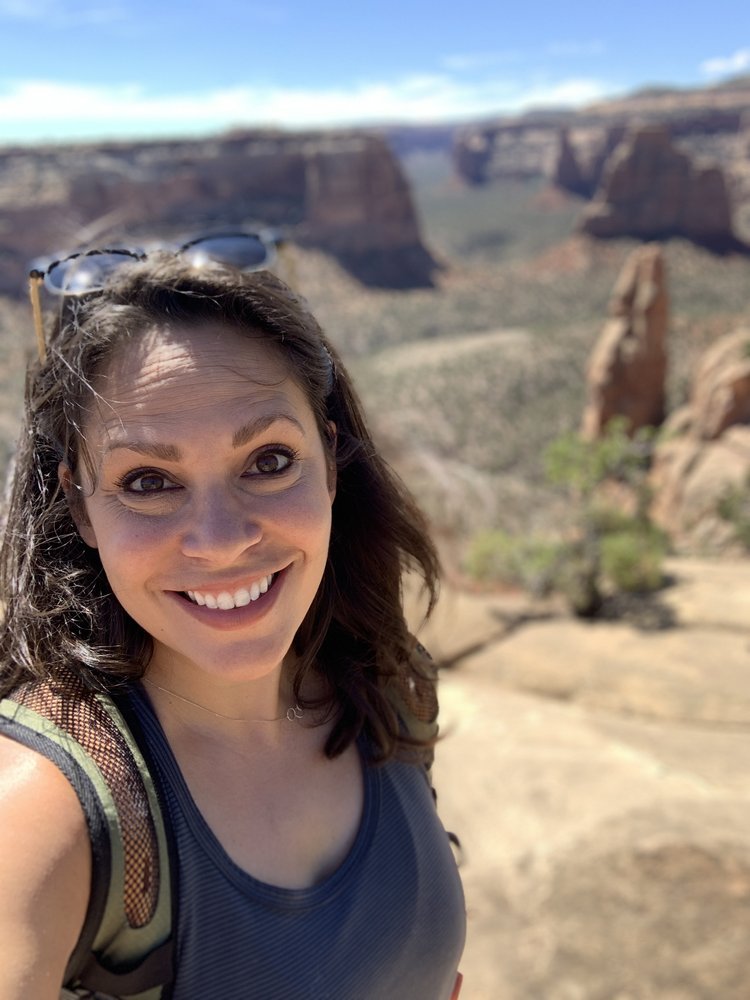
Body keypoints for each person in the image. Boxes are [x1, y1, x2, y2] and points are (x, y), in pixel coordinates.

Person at [0, 235, 466, 999]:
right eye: (148, 481)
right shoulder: (47, 815)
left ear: (330, 459)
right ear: (78, 504)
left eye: (269, 462)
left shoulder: (383, 687)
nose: (221, 542)